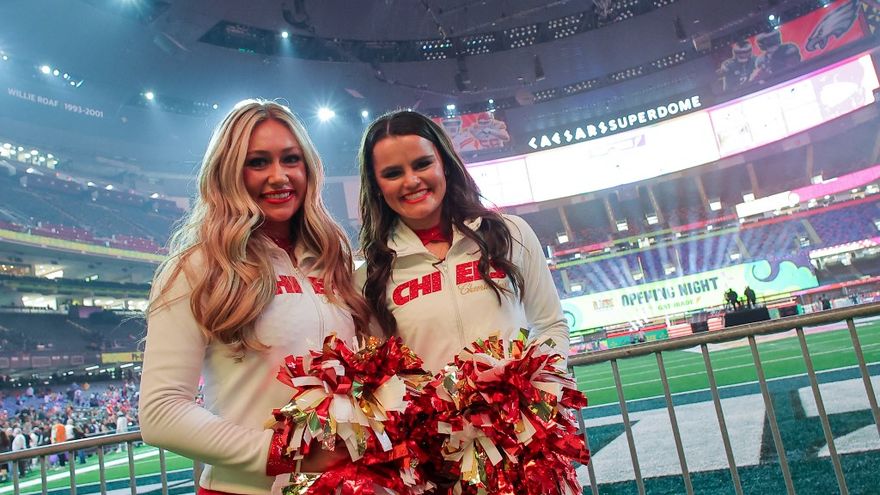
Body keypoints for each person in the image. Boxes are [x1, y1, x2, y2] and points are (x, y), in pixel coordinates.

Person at [139, 100, 371, 495]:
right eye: (258, 162)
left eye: (291, 159)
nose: (279, 176)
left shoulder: (335, 263)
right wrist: (282, 453)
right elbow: (161, 412)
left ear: (309, 169)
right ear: (229, 172)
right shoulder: (196, 268)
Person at [356, 110, 569, 373]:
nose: (411, 181)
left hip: (520, 402)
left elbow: (550, 327)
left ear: (444, 164)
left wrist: (534, 390)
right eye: (392, 173)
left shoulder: (511, 234)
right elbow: (380, 373)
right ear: (376, 185)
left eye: (422, 164)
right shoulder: (369, 277)